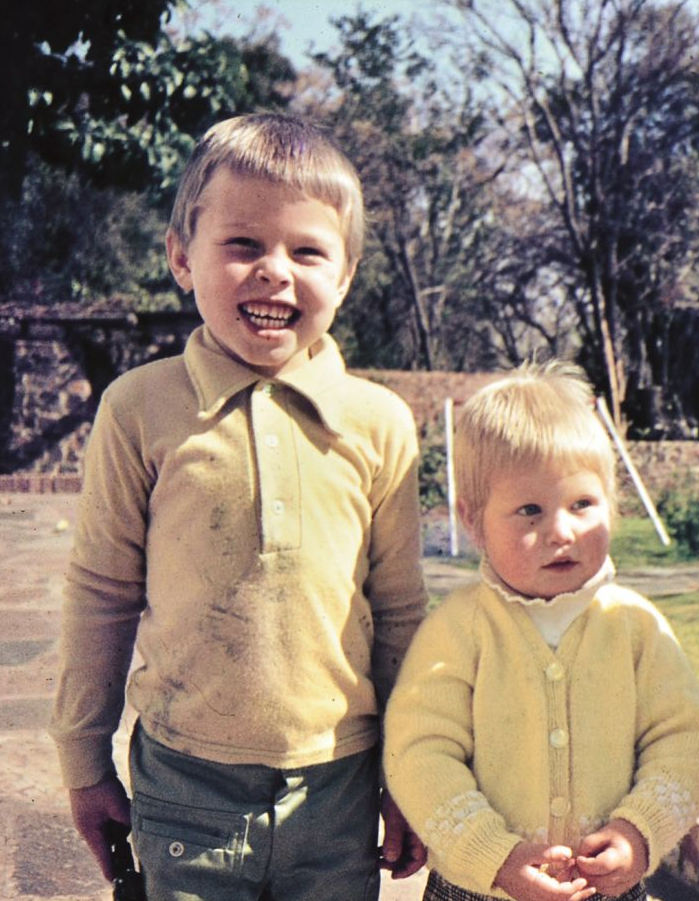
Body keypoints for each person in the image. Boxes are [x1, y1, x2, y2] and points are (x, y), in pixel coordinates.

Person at [50, 112, 429, 900]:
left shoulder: (378, 423)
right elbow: (102, 591)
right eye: (243, 244)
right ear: (182, 258)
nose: (274, 272)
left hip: (339, 784)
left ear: (347, 273)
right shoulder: (139, 408)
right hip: (185, 785)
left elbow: (398, 609)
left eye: (307, 250)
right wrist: (83, 758)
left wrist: (413, 770)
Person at [384, 361, 699, 901]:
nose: (561, 532)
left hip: (606, 888)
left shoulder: (635, 627)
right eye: (530, 510)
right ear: (473, 521)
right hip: (480, 889)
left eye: (583, 504)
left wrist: (639, 831)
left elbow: (684, 739)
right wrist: (494, 854)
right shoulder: (457, 630)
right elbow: (420, 752)